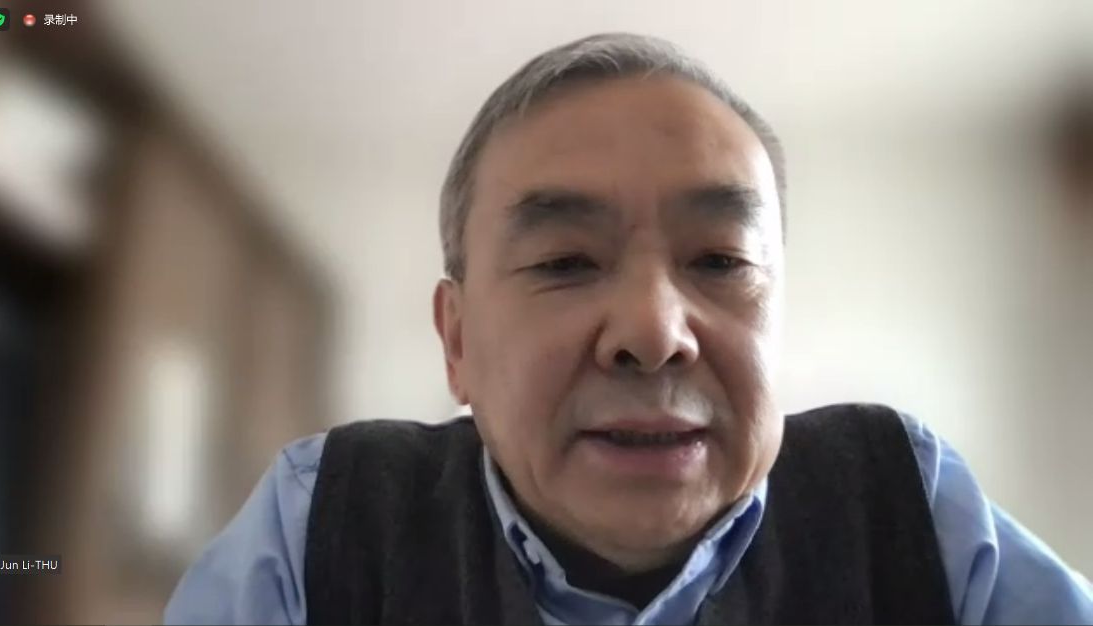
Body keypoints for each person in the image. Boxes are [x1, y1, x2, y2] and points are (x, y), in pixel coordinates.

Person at [164, 33, 1093, 625]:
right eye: (565, 262)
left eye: (720, 261)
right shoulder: (320, 525)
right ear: (458, 342)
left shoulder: (909, 509)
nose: (653, 332)